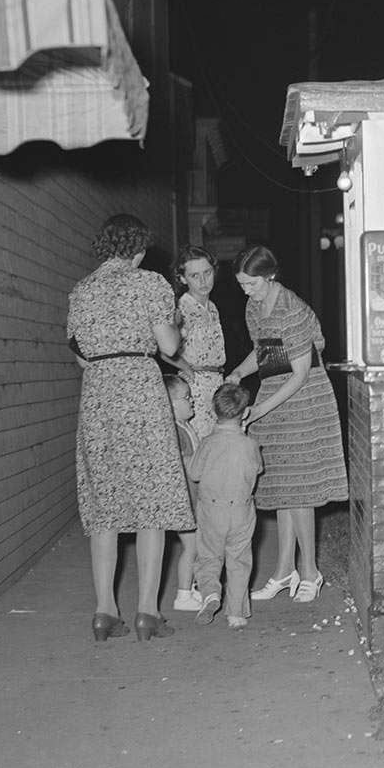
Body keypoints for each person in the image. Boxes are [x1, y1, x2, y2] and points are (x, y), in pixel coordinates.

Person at [68, 213, 195, 642]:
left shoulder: (81, 291)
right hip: (140, 391)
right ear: (138, 248)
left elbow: (80, 355)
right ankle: (147, 614)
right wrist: (175, 321)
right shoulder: (151, 284)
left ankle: (104, 612)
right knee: (152, 503)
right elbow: (169, 346)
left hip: (98, 395)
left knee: (103, 506)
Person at [227, 246, 349, 603]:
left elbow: (299, 373)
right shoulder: (254, 305)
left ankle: (311, 572)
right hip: (273, 387)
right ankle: (284, 571)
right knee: (281, 484)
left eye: (251, 283)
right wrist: (239, 371)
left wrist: (259, 409)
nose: (246, 290)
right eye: (241, 284)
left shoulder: (291, 309)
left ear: (270, 276)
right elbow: (265, 352)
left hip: (304, 396)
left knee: (301, 489)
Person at [162, 246, 226, 613]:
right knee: (201, 469)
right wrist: (185, 369)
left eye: (207, 273)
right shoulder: (181, 307)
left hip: (215, 383)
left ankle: (207, 569)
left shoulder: (211, 306)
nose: (203, 281)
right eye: (195, 275)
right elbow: (164, 345)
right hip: (197, 387)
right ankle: (199, 576)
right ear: (183, 278)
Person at [188, 383, 262, 629]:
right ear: (245, 412)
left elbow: (195, 473)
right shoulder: (250, 445)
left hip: (211, 508)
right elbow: (257, 470)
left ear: (212, 410)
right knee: (239, 560)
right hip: (241, 509)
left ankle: (210, 593)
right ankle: (236, 613)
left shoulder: (208, 443)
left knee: (209, 555)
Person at [164, 373, 203, 614]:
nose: (192, 402)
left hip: (193, 497)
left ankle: (195, 588)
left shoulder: (185, 427)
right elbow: (186, 465)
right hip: (185, 500)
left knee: (198, 545)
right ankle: (183, 594)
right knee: (192, 547)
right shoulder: (175, 432)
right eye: (186, 398)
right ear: (169, 404)